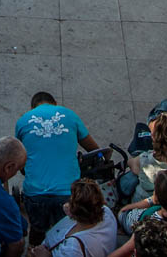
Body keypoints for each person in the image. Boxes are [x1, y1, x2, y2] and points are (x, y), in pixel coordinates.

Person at [16, 91, 99, 244]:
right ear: (55, 104)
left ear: (32, 108)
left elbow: (20, 161)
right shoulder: (70, 115)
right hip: (68, 193)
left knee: (37, 230)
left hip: (35, 194)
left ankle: (34, 248)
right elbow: (94, 150)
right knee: (65, 235)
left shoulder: (23, 121)